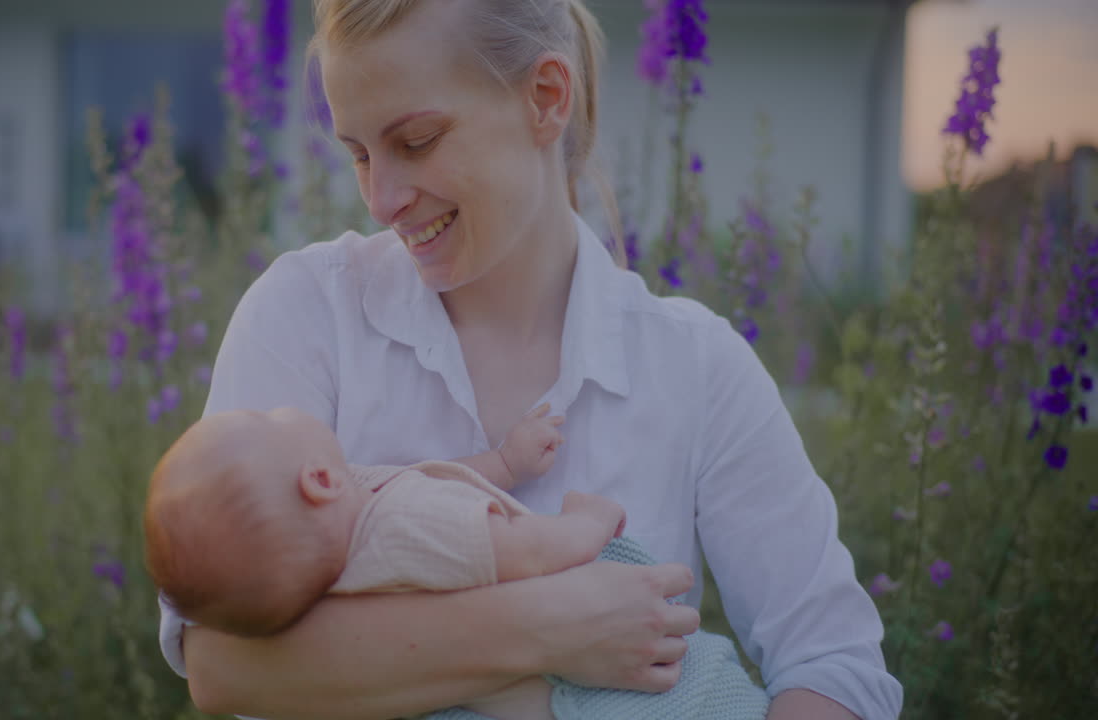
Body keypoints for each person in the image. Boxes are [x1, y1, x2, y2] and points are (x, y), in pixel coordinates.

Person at [157, 1, 904, 718]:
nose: (380, 199)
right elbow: (220, 663)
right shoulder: (304, 313)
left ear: (546, 97)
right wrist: (547, 626)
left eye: (415, 142)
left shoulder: (696, 365)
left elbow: (832, 664)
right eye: (357, 153)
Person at [146, 407, 770, 720]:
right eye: (271, 418)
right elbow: (530, 552)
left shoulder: (343, 558)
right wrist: (587, 517)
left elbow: (429, 484)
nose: (281, 409)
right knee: (713, 695)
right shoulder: (409, 530)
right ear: (316, 479)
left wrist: (504, 462)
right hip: (613, 692)